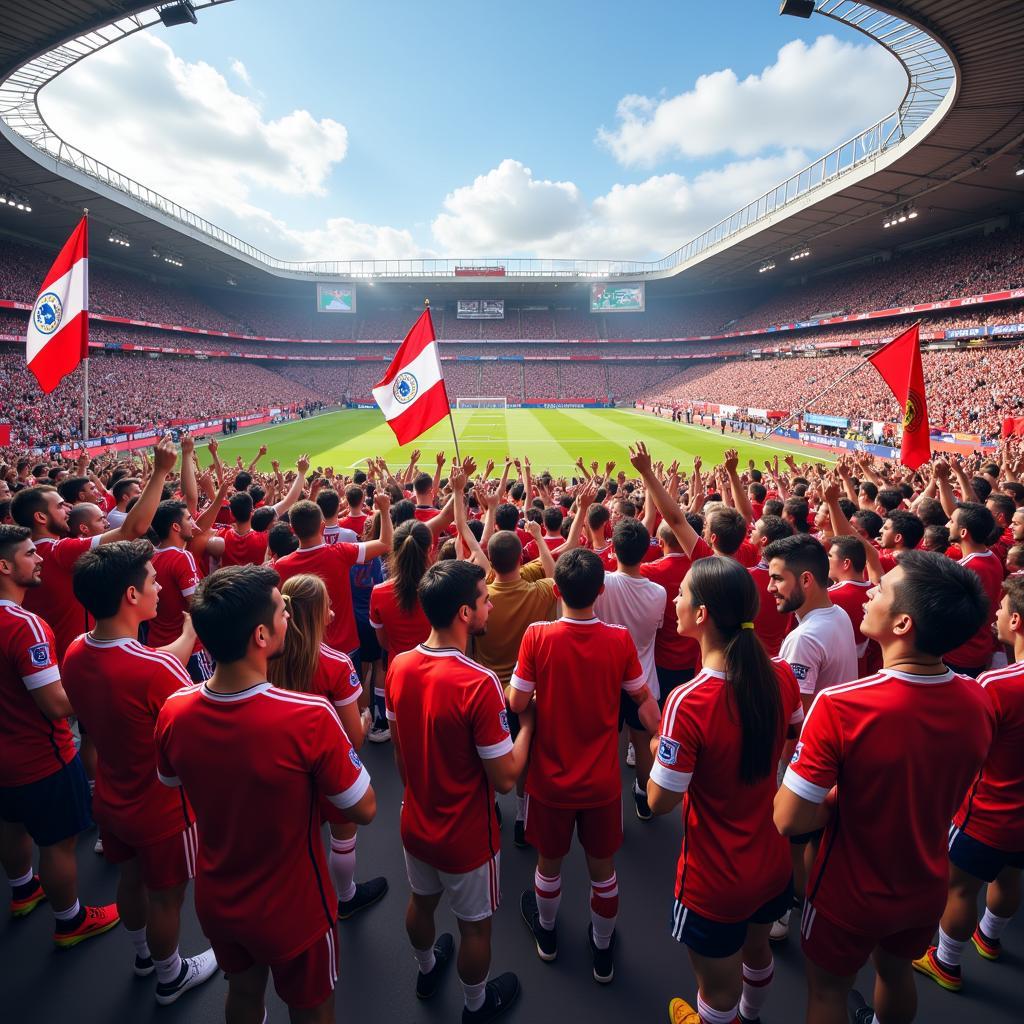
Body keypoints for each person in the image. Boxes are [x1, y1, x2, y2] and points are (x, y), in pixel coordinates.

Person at [774, 551, 996, 1024]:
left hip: (847, 891)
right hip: (923, 883)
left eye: (884, 588)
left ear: (902, 624)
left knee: (828, 991)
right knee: (895, 974)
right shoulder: (978, 699)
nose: (870, 591)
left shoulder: (841, 705)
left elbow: (788, 817)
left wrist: (838, 802)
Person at [154, 564, 376, 1024]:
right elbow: (365, 806)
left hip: (218, 898)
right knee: (312, 1008)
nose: (288, 619)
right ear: (259, 635)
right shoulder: (309, 716)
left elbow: (171, 783)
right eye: (281, 611)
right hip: (295, 907)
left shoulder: (174, 710)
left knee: (243, 995)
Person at [62, 540, 217, 1003]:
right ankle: (171, 975)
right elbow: (194, 730)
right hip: (163, 808)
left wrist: (187, 636)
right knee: (167, 895)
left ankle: (143, 955)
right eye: (152, 580)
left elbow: (139, 666)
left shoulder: (74, 651)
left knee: (130, 881)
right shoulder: (157, 669)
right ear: (131, 596)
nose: (158, 588)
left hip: (112, 798)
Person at [651, 557, 803, 1024]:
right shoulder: (779, 674)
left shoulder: (688, 700)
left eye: (681, 593)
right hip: (772, 858)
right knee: (757, 953)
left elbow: (660, 801)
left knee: (715, 990)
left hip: (715, 877)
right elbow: (792, 738)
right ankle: (751, 1016)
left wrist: (660, 746)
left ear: (701, 614)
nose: (674, 600)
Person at [386, 560, 534, 1023]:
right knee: (475, 928)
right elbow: (506, 777)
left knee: (420, 901)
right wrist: (529, 725)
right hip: (466, 836)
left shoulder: (400, 665)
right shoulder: (479, 683)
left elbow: (399, 755)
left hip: (416, 817)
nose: (491, 605)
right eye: (485, 599)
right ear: (465, 614)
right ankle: (476, 1005)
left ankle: (427, 969)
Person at [511, 546, 658, 983]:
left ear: (557, 589)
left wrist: (535, 706)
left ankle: (549, 936)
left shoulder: (537, 636)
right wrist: (672, 742)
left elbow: (517, 700)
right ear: (600, 591)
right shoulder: (618, 640)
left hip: (550, 781)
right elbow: (644, 703)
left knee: (548, 865)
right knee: (603, 872)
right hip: (601, 782)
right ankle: (601, 951)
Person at [0, 524, 119, 949]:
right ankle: (70, 920)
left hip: (6, 761)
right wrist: (96, 685)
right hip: (40, 756)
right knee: (59, 842)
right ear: (5, 565)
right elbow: (55, 704)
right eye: (31, 554)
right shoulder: (25, 625)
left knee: (12, 825)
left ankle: (21, 889)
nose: (39, 560)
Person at [913, 573, 1024, 992]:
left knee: (959, 888)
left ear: (1016, 621)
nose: (995, 613)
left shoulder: (998, 685)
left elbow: (967, 746)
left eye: (1001, 609)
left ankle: (946, 961)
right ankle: (990, 937)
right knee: (1011, 876)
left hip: (988, 811)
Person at [267, 574, 387, 919]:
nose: (333, 613)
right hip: (326, 767)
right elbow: (354, 737)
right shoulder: (335, 663)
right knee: (342, 833)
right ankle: (346, 897)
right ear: (318, 613)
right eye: (328, 606)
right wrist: (365, 720)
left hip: (282, 763)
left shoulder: (265, 656)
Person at [764, 533, 858, 943]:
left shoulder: (802, 639)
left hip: (806, 759)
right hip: (832, 755)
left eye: (777, 579)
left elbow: (793, 716)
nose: (770, 589)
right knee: (811, 839)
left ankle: (783, 910)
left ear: (805, 580)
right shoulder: (835, 616)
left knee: (786, 835)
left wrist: (779, 771)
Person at [11, 436, 178, 662]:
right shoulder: (57, 552)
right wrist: (160, 472)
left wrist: (81, 468)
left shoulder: (25, 554)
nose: (68, 509)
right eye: (60, 506)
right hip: (76, 659)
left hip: (61, 659)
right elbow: (132, 530)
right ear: (40, 517)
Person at [275, 496, 392, 662]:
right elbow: (385, 543)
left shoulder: (281, 566)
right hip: (345, 648)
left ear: (292, 529)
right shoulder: (340, 553)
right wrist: (385, 510)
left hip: (304, 653)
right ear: (322, 526)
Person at [944, 502, 1004, 676]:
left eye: (952, 522)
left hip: (958, 653)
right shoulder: (992, 557)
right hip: (981, 648)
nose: (948, 525)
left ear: (963, 533)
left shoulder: (962, 569)